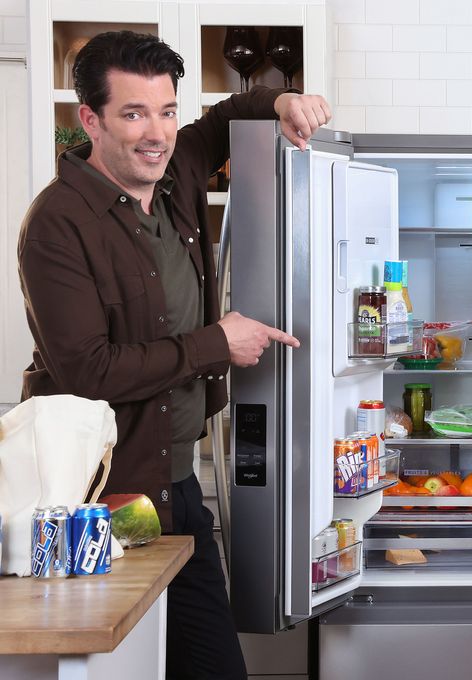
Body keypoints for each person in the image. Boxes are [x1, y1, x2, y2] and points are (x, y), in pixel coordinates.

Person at [18, 31, 331, 679]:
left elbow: (227, 115)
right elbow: (88, 371)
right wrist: (218, 342)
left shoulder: (177, 167)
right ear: (90, 120)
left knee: (213, 668)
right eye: (133, 114)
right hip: (100, 502)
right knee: (116, 668)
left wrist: (284, 101)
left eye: (166, 111)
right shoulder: (56, 224)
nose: (156, 133)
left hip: (177, 488)